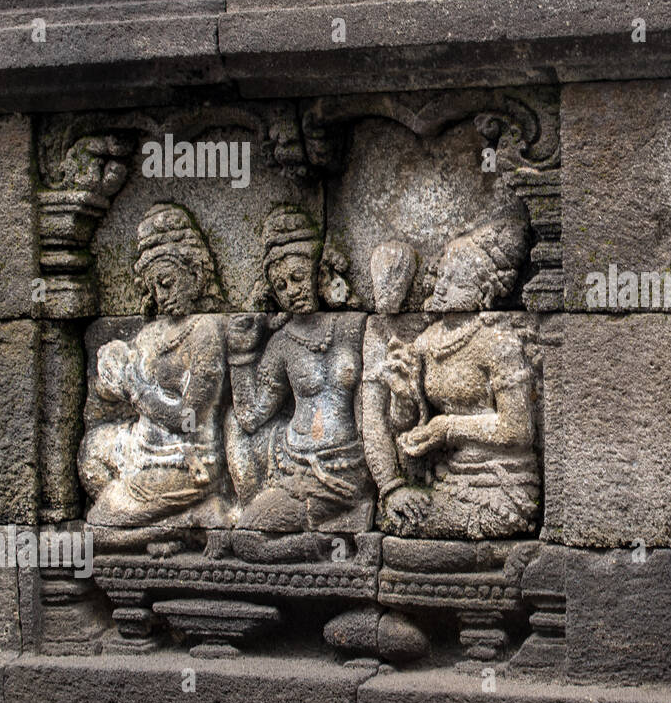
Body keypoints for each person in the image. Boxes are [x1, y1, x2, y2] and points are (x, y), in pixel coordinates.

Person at [225, 204, 371, 562]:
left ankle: (344, 523)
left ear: (319, 273)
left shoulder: (354, 328)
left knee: (248, 540)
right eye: (281, 285)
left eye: (297, 276)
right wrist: (241, 355)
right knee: (246, 540)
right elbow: (250, 416)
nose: (291, 290)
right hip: (299, 469)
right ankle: (325, 542)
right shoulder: (282, 344)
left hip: (350, 464)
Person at [379, 215, 540, 539]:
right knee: (399, 527)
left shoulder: (498, 343)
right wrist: (401, 393)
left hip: (498, 483)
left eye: (456, 282)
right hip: (446, 476)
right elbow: (406, 422)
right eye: (442, 277)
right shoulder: (428, 341)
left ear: (486, 293)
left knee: (407, 535)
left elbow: (518, 428)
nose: (441, 289)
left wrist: (447, 427)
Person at [80, 203, 230, 549]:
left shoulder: (204, 331)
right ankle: (161, 522)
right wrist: (110, 374)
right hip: (141, 449)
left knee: (97, 530)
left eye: (167, 283)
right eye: (154, 288)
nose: (161, 296)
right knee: (90, 454)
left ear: (195, 274)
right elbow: (120, 385)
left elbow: (188, 418)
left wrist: (136, 390)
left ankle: (191, 519)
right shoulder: (151, 334)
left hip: (186, 460)